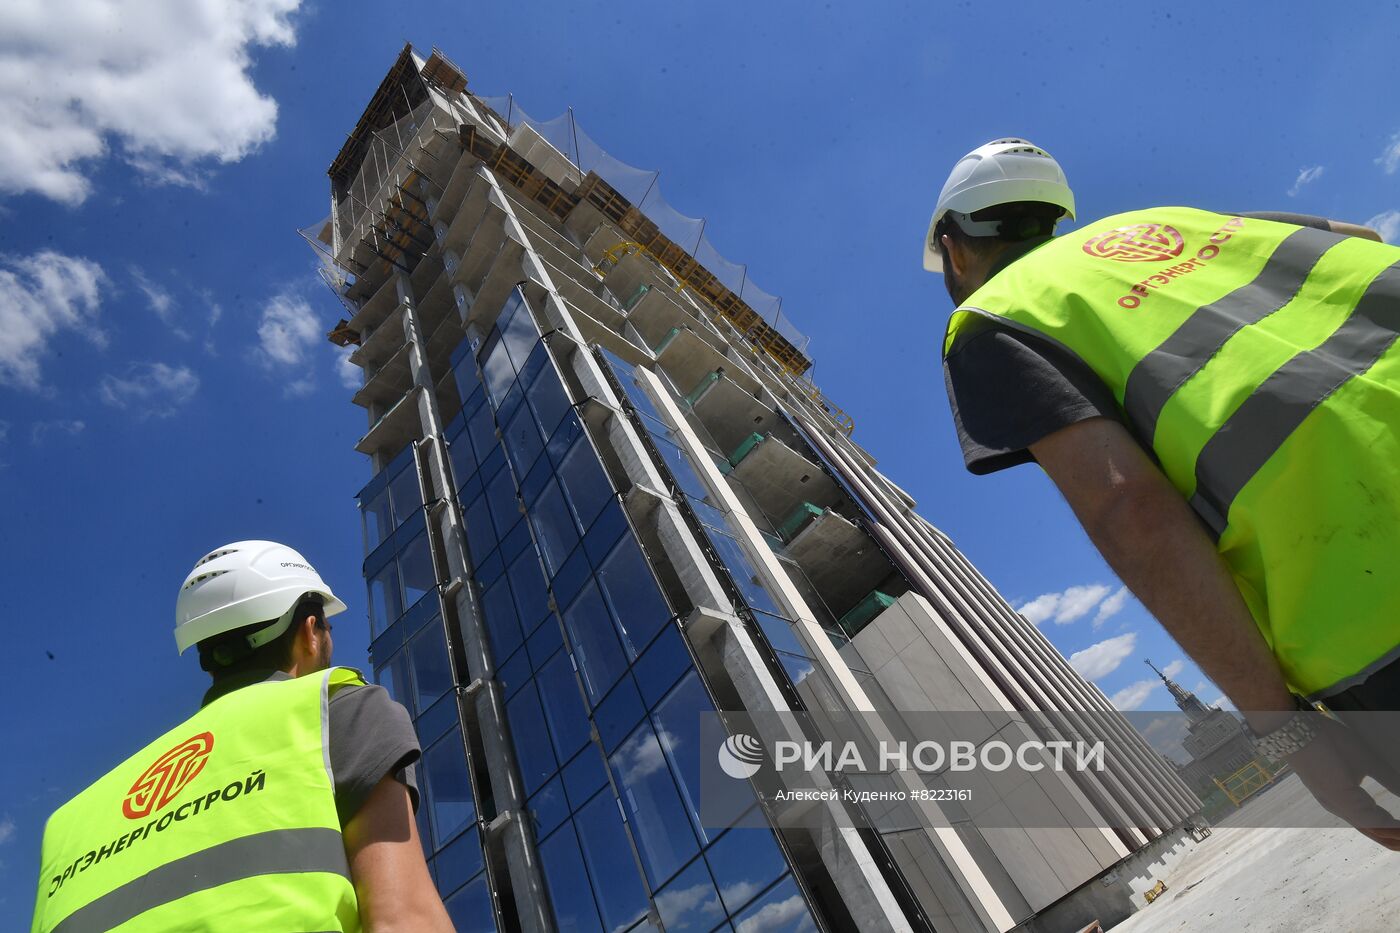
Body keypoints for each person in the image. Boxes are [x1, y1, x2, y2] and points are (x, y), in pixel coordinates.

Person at [927, 138, 1400, 849]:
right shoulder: (1173, 224)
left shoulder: (992, 318)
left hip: (1372, 605)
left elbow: (1132, 509)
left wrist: (1285, 732)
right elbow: (1361, 237)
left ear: (953, 246)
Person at [31, 540, 455, 932]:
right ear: (310, 631)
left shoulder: (68, 826)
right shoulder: (335, 711)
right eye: (327, 628)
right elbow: (404, 920)